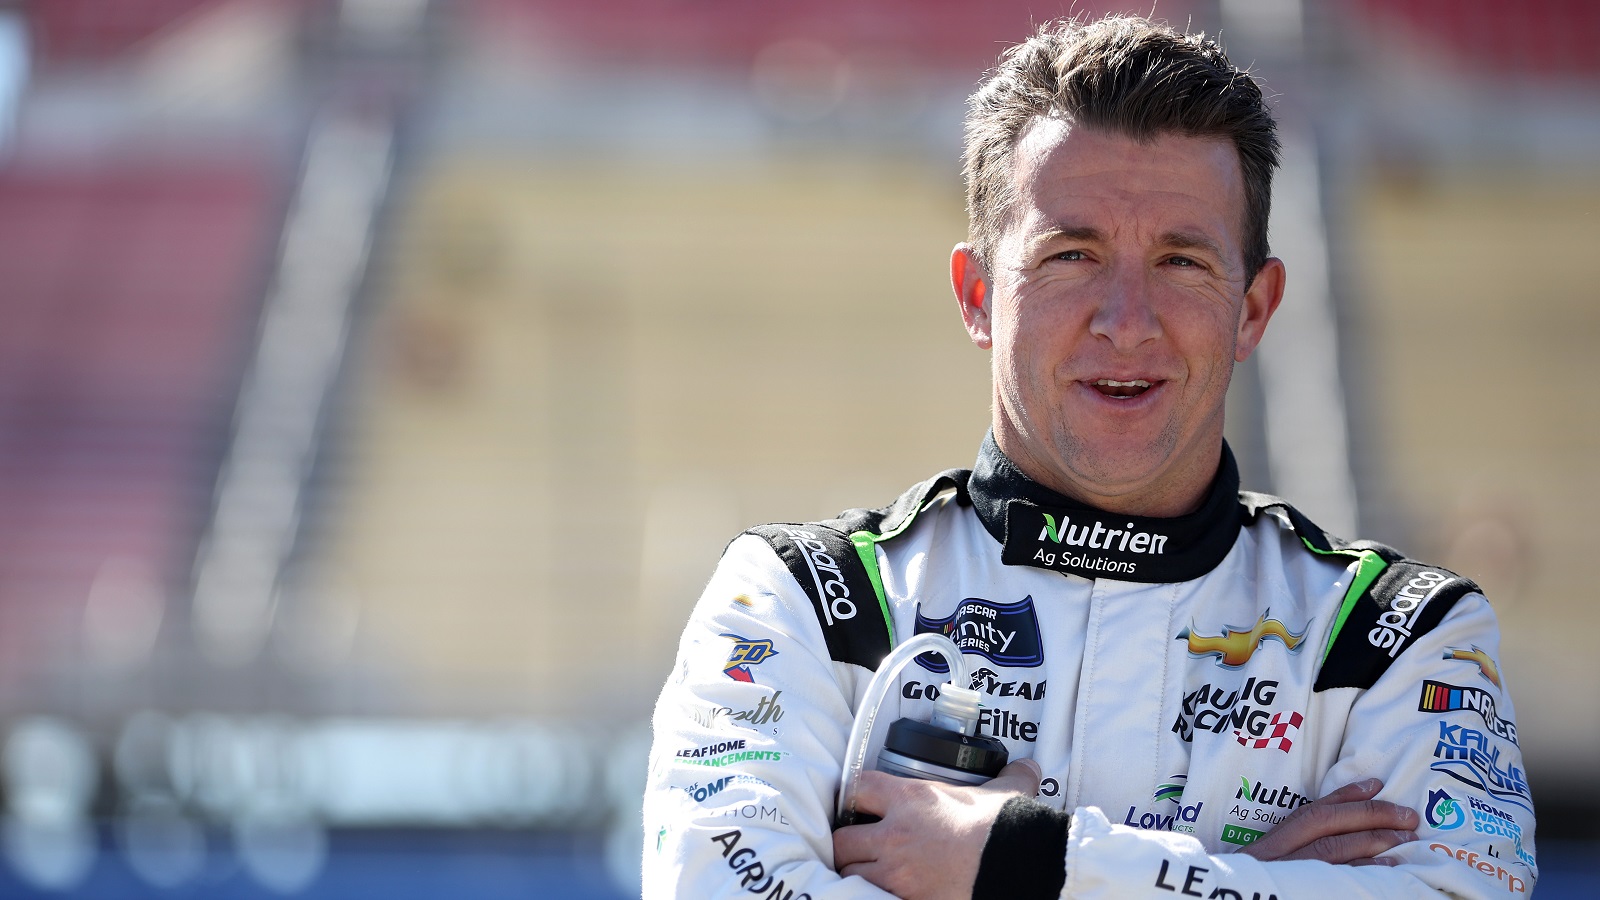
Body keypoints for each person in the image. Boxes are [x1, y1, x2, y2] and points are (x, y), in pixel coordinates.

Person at [642, 15, 1534, 900]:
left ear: (1255, 311)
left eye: (1182, 263)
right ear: (979, 295)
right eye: (1072, 255)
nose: (1127, 320)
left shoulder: (1401, 638)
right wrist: (1256, 883)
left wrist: (1027, 864)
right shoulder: (802, 602)